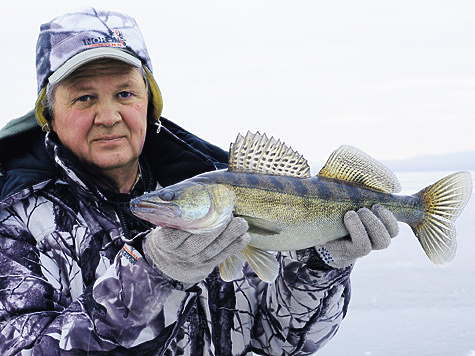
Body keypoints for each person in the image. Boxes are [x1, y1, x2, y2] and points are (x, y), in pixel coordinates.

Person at [0, 8, 399, 355]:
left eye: (125, 93)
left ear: (149, 104)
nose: (108, 116)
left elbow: (281, 340)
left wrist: (322, 264)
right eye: (84, 98)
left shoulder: (214, 194)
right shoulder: (15, 224)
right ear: (48, 114)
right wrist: (153, 274)